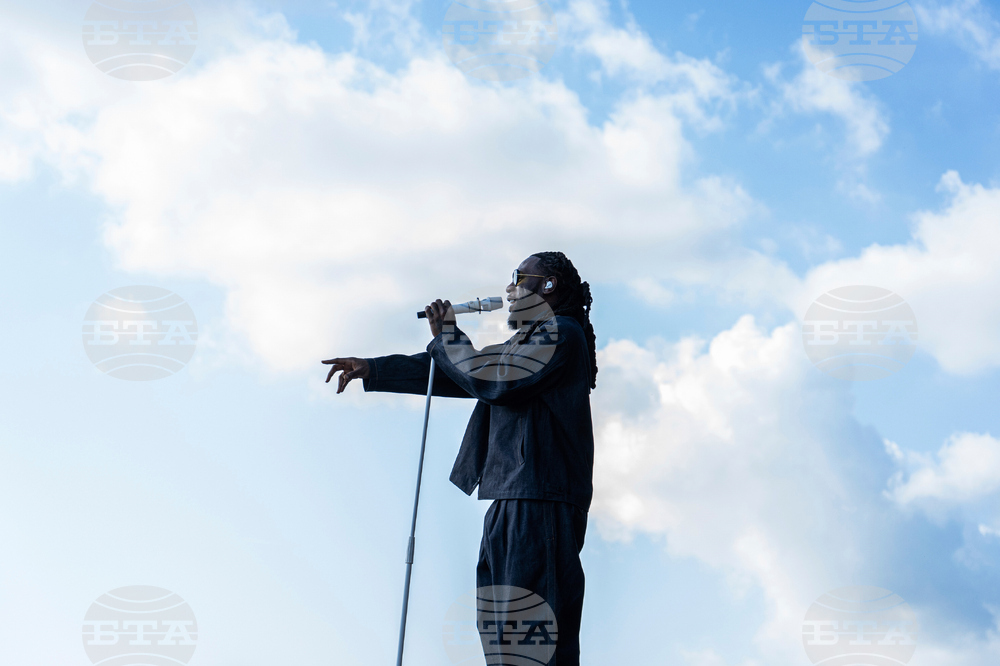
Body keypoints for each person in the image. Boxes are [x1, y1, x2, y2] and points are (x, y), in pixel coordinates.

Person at [323, 251, 598, 666]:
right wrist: (374, 369)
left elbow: (495, 381)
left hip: (539, 501)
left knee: (534, 644)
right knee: (505, 644)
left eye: (519, 277)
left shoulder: (562, 333)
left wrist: (449, 335)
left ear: (548, 286)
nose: (510, 288)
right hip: (510, 498)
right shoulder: (524, 343)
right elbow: (461, 371)